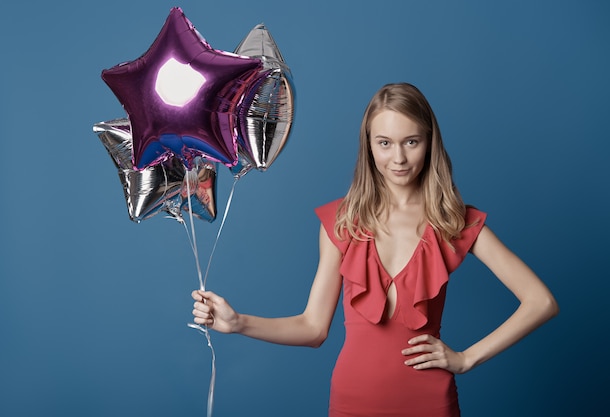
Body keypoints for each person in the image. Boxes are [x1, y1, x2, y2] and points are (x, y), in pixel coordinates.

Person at [191, 82, 559, 417]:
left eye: (411, 141)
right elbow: (313, 328)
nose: (398, 158)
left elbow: (541, 301)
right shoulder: (341, 221)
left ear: (429, 142)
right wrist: (238, 323)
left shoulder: (454, 221)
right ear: (368, 145)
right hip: (354, 400)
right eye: (385, 143)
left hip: (430, 402)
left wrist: (466, 359)